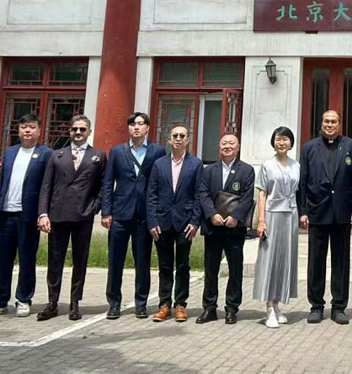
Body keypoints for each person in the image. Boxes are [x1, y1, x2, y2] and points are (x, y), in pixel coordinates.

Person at [36, 115, 106, 321]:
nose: (78, 132)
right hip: (58, 214)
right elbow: (46, 186)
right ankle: (52, 302)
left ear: (89, 132)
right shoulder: (57, 155)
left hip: (83, 214)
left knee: (80, 259)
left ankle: (75, 302)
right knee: (54, 260)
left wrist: (95, 207)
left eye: (82, 129)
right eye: (75, 129)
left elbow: (103, 186)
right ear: (69, 131)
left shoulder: (98, 155)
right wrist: (43, 213)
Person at [0, 113, 51, 318]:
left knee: (27, 259)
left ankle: (23, 299)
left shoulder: (45, 154)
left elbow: (46, 187)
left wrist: (43, 213)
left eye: (31, 127)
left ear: (39, 130)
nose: (27, 131)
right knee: (4, 260)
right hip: (6, 214)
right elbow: (1, 182)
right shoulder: (10, 152)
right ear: (18, 130)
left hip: (28, 215)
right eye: (23, 127)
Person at [298, 110, 352, 325]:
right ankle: (316, 306)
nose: (330, 125)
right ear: (321, 123)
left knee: (340, 262)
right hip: (317, 212)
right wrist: (303, 211)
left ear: (339, 124)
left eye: (334, 121)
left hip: (342, 213)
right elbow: (303, 181)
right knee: (316, 261)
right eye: (326, 121)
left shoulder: (351, 146)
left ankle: (339, 307)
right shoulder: (309, 148)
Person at [101, 111, 166, 319]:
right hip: (120, 214)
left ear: (147, 127)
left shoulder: (157, 151)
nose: (136, 127)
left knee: (143, 262)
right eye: (132, 124)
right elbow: (108, 182)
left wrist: (157, 215)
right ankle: (114, 303)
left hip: (144, 215)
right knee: (115, 261)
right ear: (128, 128)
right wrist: (106, 211)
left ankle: (141, 303)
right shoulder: (117, 151)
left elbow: (161, 182)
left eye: (140, 124)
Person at [197, 133, 255, 325]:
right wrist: (211, 214)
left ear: (237, 147)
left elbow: (247, 197)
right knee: (210, 269)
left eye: (231, 143)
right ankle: (209, 307)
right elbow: (203, 194)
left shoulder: (246, 170)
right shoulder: (209, 170)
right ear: (219, 147)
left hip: (234, 228)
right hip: (213, 227)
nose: (227, 146)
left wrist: (236, 217)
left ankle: (232, 308)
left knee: (235, 269)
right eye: (224, 143)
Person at [146, 125, 202, 322]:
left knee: (183, 265)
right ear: (169, 140)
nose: (178, 138)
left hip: (185, 223)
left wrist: (195, 222)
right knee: (164, 266)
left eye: (182, 136)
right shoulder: (159, 164)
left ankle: (180, 305)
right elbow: (151, 194)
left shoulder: (196, 164)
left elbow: (199, 195)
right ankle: (164, 305)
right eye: (174, 136)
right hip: (162, 222)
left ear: (187, 140)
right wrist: (152, 221)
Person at [253, 126, 300, 329]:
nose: (282, 143)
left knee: (285, 259)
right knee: (270, 260)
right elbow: (262, 194)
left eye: (285, 139)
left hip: (291, 214)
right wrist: (261, 220)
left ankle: (278, 304)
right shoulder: (267, 165)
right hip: (272, 214)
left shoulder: (296, 165)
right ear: (273, 142)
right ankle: (269, 308)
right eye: (278, 139)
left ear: (291, 143)